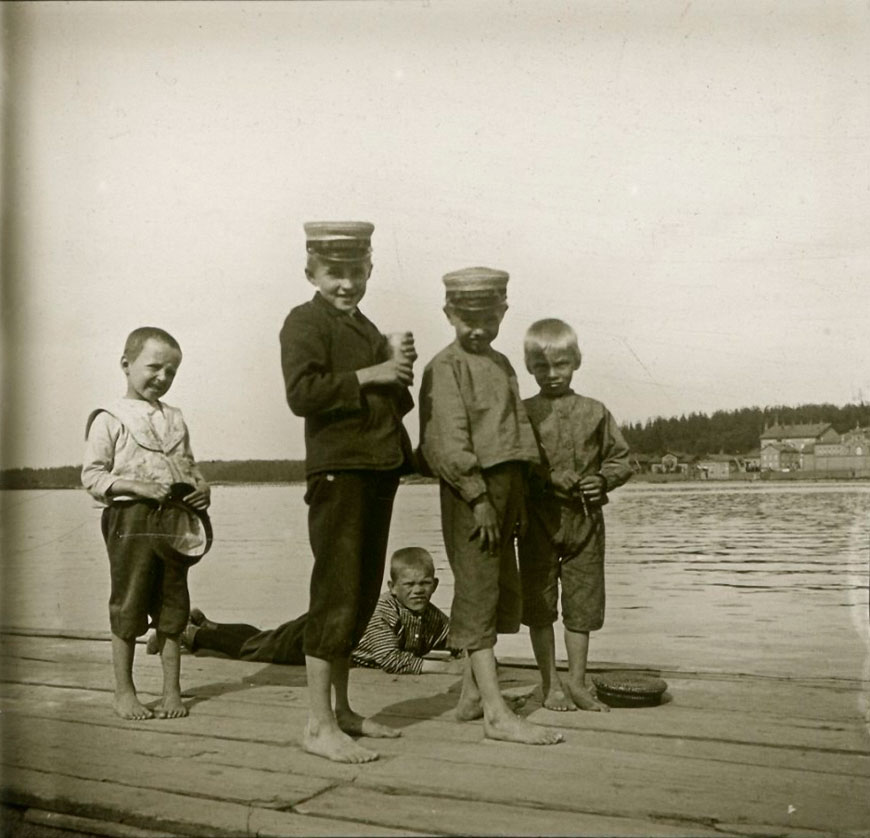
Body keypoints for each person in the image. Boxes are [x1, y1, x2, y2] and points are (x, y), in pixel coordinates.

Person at [279, 221, 416, 763]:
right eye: (334, 273)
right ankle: (317, 725)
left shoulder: (365, 326)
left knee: (359, 596)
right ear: (311, 271)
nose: (346, 284)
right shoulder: (303, 321)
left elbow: (388, 401)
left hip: (375, 470)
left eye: (356, 272)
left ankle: (341, 711)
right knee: (335, 594)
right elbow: (302, 393)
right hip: (338, 473)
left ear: (369, 271)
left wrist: (397, 369)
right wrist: (375, 370)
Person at [418, 267, 563, 746]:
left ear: (502, 313)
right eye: (466, 320)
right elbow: (445, 441)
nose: (477, 330)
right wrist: (478, 497)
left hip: (507, 488)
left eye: (488, 319)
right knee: (477, 590)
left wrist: (517, 495)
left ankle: (470, 698)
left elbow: (516, 429)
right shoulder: (446, 367)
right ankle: (497, 713)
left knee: (499, 588)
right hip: (471, 492)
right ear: (449, 315)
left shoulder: (502, 363)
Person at [82, 326, 211, 721]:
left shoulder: (175, 418)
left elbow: (188, 466)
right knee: (130, 604)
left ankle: (172, 691)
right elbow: (92, 476)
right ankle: (125, 692)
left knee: (174, 606)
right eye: (154, 367)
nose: (162, 378)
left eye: (171, 372)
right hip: (130, 521)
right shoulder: (109, 417)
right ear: (126, 364)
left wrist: (202, 487)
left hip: (175, 522)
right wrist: (135, 485)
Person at [518, 318, 633, 712]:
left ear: (576, 362)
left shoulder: (595, 411)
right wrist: (546, 477)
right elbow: (515, 465)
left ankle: (578, 684)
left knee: (582, 606)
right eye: (542, 366)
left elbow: (622, 459)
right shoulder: (522, 414)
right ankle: (550, 685)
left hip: (586, 524)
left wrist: (602, 479)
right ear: (529, 367)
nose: (552, 375)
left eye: (561, 365)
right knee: (539, 605)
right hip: (538, 523)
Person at [175, 547, 459, 674]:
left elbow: (457, 637)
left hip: (318, 632)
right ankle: (193, 635)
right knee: (254, 648)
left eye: (424, 584)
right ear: (392, 586)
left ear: (435, 585)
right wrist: (446, 670)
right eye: (409, 584)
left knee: (263, 636)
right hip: (314, 638)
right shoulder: (383, 609)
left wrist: (466, 655)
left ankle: (208, 623)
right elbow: (391, 660)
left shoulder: (432, 616)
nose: (418, 590)